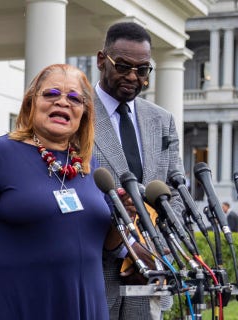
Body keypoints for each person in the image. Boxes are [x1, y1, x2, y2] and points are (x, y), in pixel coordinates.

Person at [0, 64, 123, 319]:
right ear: (31, 102)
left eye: (74, 98)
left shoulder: (89, 166)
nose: (62, 102)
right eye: (51, 94)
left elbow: (105, 244)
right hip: (13, 304)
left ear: (84, 113)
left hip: (82, 305)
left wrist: (123, 217)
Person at [92, 21, 186, 320]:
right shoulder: (76, 114)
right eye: (122, 66)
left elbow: (176, 192)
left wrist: (157, 249)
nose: (133, 76)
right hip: (94, 277)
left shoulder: (162, 120)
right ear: (100, 61)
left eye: (143, 69)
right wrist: (128, 250)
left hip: (151, 281)